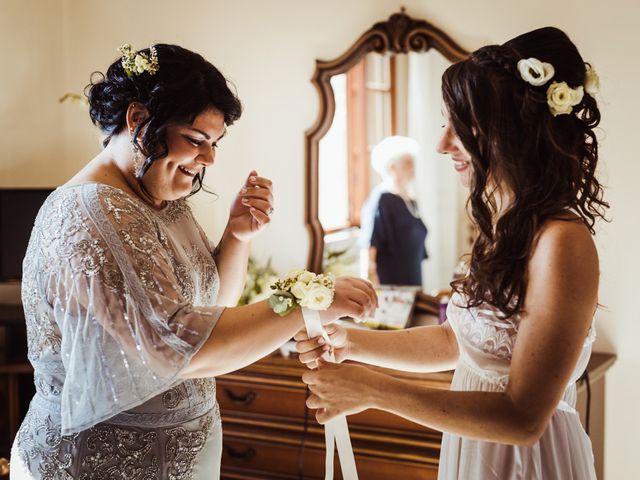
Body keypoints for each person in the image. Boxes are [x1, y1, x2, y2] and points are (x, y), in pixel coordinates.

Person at [10, 43, 377, 479]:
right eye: (196, 140)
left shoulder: (161, 200)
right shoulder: (94, 211)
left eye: (215, 143)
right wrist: (306, 303)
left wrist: (237, 235)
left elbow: (211, 308)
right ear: (138, 120)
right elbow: (177, 348)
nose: (209, 159)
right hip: (100, 463)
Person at [296, 26, 607, 479]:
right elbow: (459, 341)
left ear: (510, 130)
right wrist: (352, 344)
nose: (443, 145)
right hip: (473, 451)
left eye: (460, 128)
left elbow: (522, 419)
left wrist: (374, 390)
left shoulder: (562, 242)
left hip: (527, 462)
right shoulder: (503, 226)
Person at [359, 136, 428, 286]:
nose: (412, 168)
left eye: (413, 163)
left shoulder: (410, 199)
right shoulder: (382, 199)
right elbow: (371, 243)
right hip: (391, 283)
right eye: (407, 163)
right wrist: (371, 280)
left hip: (412, 278)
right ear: (391, 167)